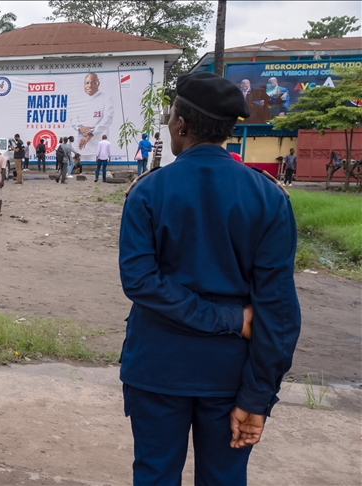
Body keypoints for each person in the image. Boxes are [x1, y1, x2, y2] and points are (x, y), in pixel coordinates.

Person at [118, 72, 301, 485]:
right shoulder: (269, 197)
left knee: (154, 474)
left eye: (170, 117)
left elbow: (140, 282)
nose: (168, 123)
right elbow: (278, 310)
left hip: (157, 370)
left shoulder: (148, 192)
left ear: (181, 125)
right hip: (231, 377)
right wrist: (257, 393)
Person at [75, 73, 115, 155]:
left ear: (98, 83)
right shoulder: (79, 100)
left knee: (99, 160)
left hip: (97, 143)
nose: (89, 86)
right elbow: (73, 118)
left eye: (93, 82)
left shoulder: (106, 98)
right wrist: (80, 127)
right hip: (81, 145)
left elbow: (108, 119)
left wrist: (91, 134)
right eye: (87, 83)